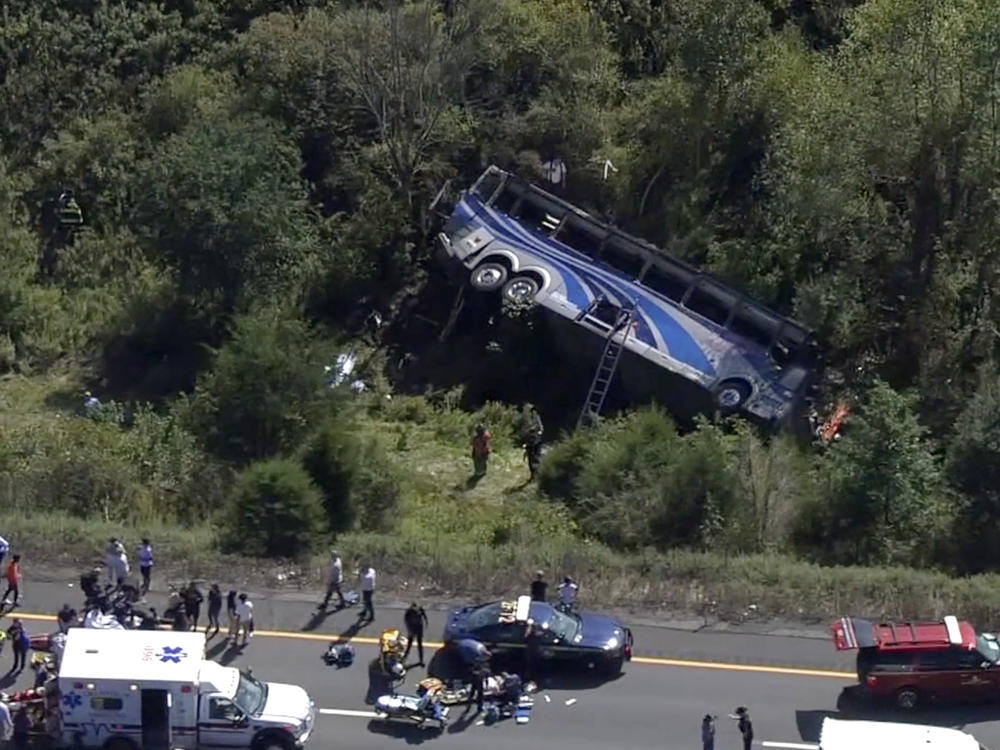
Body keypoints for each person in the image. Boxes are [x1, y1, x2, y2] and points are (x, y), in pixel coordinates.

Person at [403, 602, 429, 666]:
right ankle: (404, 658)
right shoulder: (409, 611)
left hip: (418, 628)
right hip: (413, 628)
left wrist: (426, 623)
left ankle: (421, 660)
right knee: (410, 644)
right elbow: (406, 620)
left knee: (419, 644)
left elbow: (425, 617)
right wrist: (409, 629)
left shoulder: (419, 609)